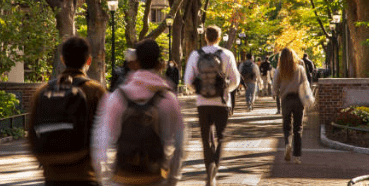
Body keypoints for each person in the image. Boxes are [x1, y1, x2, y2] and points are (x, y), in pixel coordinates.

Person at [93, 39, 185, 186]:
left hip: (123, 177)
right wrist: (171, 178)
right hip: (155, 177)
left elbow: (101, 140)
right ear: (159, 64)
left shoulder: (118, 97)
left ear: (135, 63)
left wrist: (104, 178)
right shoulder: (168, 98)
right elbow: (179, 144)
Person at [28, 36, 106, 186]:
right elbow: (106, 133)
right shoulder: (95, 91)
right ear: (88, 60)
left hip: (52, 175)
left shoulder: (43, 91)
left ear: (62, 59)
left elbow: (31, 134)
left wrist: (45, 160)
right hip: (86, 175)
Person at [184, 25, 240, 186]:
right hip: (221, 103)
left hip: (202, 103)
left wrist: (200, 90)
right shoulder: (227, 54)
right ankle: (216, 162)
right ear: (219, 37)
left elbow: (188, 81)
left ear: (205, 37)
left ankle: (209, 170)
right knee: (221, 136)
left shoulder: (196, 54)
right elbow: (235, 80)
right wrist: (224, 91)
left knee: (206, 139)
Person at [272, 47, 309, 164]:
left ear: (281, 58)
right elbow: (305, 83)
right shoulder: (300, 68)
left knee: (287, 126)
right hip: (298, 99)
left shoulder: (279, 70)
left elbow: (275, 85)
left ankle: (288, 144)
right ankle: (297, 157)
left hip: (286, 99)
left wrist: (275, 94)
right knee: (298, 128)